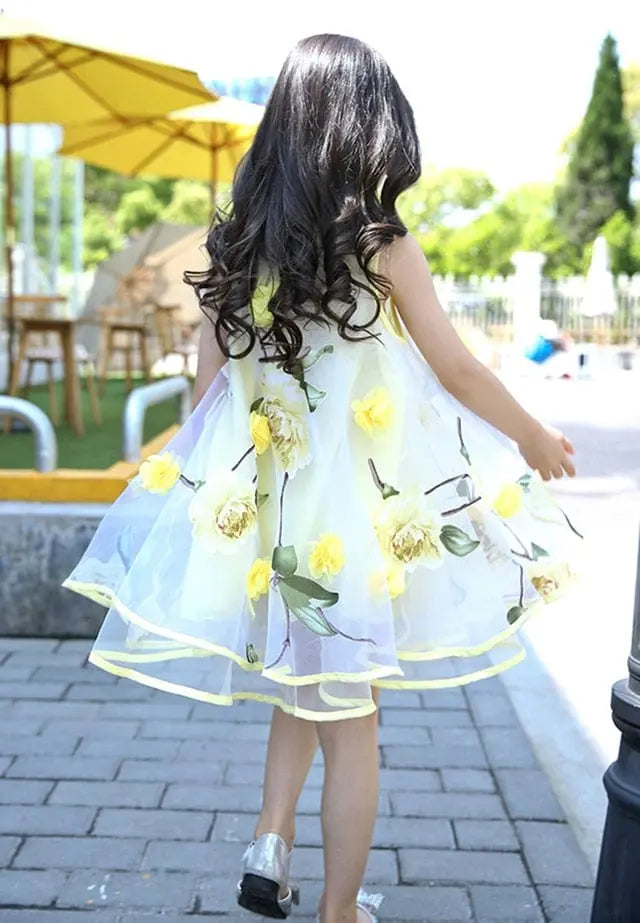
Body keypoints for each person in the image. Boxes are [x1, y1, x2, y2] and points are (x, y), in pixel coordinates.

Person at [63, 34, 581, 923]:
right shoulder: (377, 242)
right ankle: (340, 911)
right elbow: (454, 365)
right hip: (359, 521)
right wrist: (531, 432)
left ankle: (271, 842)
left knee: (307, 683)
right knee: (355, 719)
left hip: (274, 526)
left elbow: (205, 401)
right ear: (364, 128)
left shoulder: (234, 249)